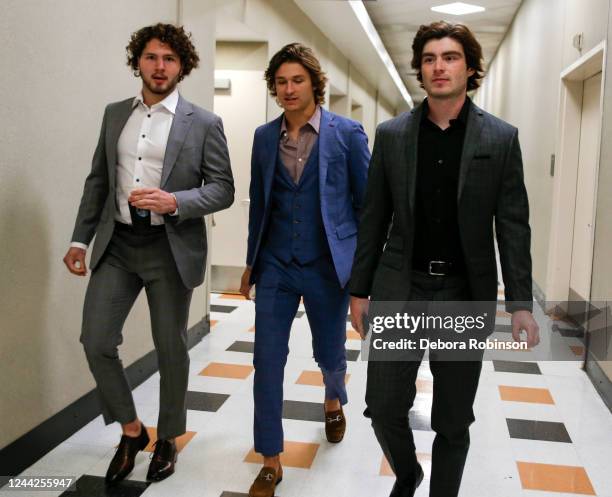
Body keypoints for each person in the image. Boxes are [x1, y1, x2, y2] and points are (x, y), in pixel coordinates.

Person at [349, 21, 540, 497]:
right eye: (430, 58)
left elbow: (512, 225)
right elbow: (374, 218)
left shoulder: (499, 138)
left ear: (470, 68)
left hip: (462, 293)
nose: (439, 66)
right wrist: (359, 289)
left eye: (450, 57)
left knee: (453, 418)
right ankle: (408, 473)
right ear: (419, 69)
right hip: (402, 288)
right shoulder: (392, 135)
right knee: (382, 404)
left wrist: (519, 302)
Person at [62, 23, 234, 485]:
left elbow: (223, 189)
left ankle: (168, 438)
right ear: (138, 61)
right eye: (152, 57)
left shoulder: (204, 123)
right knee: (96, 341)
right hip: (117, 245)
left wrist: (175, 200)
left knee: (170, 347)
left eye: (170, 59)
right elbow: (98, 180)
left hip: (169, 247)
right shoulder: (115, 113)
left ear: (183, 67)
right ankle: (132, 430)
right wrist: (80, 241)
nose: (160, 67)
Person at [239, 43, 370, 497]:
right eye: (281, 82)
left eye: (297, 80)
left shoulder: (348, 133)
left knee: (329, 351)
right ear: (273, 89)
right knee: (266, 360)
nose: (289, 89)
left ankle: (334, 398)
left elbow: (366, 206)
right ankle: (270, 460)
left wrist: (362, 277)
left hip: (326, 266)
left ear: (315, 83)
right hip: (276, 262)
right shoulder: (262, 137)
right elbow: (261, 201)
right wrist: (251, 263)